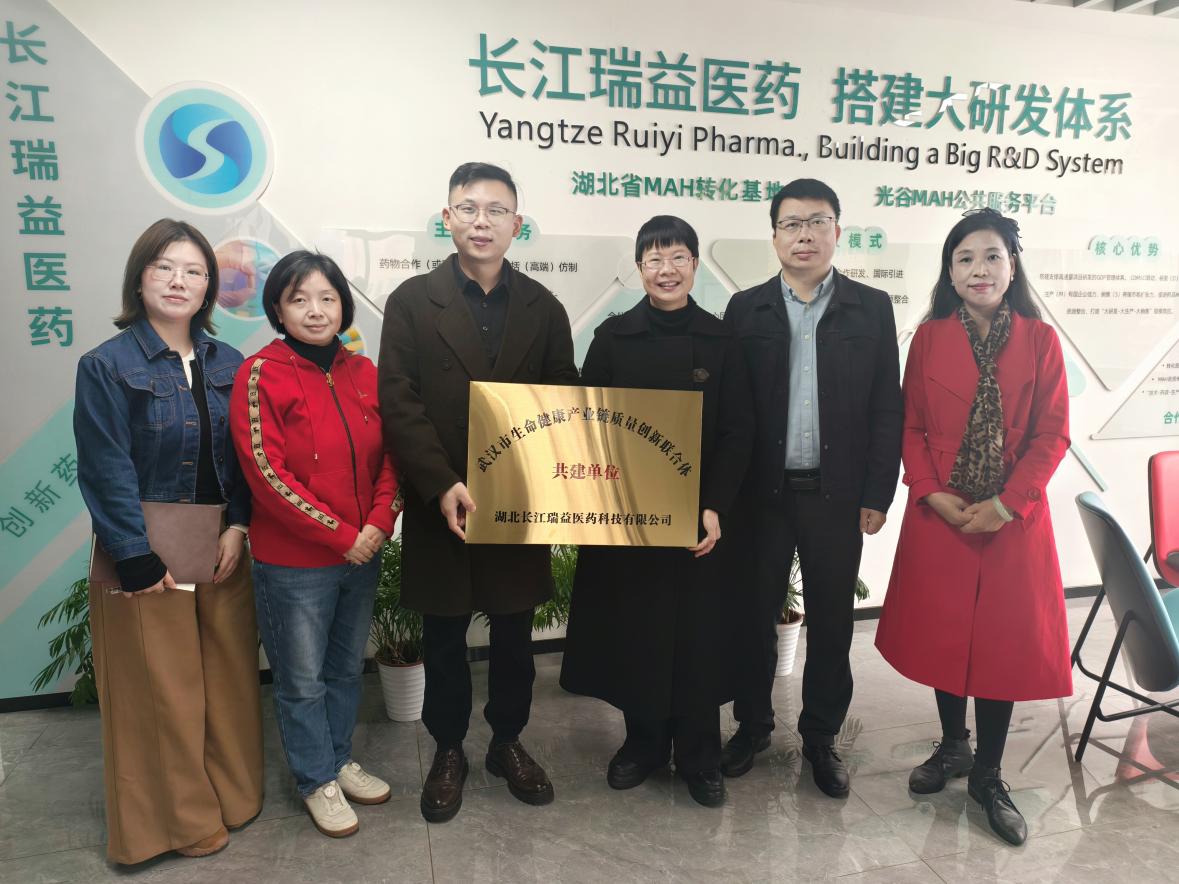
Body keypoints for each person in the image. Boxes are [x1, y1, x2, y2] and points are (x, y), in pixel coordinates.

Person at [378, 162, 579, 823]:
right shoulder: (412, 301)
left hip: (517, 500)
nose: (481, 222)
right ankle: (448, 749)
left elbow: (562, 399)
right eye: (468, 209)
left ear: (517, 224)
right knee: (444, 632)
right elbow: (399, 402)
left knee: (515, 632)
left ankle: (507, 742)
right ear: (448, 218)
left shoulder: (544, 308)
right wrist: (440, 482)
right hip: (442, 499)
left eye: (496, 210)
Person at [875, 209, 1072, 846]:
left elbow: (1052, 435)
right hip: (943, 513)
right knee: (944, 634)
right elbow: (909, 426)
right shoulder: (928, 339)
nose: (979, 269)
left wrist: (1008, 504)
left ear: (1012, 267)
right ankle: (953, 745)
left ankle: (989, 774)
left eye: (992, 257)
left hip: (1013, 518)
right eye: (965, 258)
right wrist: (929, 492)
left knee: (1000, 644)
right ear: (950, 271)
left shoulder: (1041, 341)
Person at [74, 218, 262, 864]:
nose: (179, 281)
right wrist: (134, 555)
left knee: (228, 683)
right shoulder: (107, 365)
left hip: (221, 545)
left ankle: (233, 797)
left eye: (194, 271)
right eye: (165, 267)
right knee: (161, 694)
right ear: (140, 278)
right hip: (147, 549)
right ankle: (176, 825)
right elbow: (105, 467)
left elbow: (247, 457)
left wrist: (238, 524)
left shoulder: (229, 362)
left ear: (209, 286)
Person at [559, 215, 753, 807]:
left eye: (677, 258)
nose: (666, 270)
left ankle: (699, 754)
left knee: (698, 637)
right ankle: (641, 744)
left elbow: (738, 431)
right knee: (637, 631)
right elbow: (588, 424)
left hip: (697, 519)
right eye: (654, 259)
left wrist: (715, 506)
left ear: (694, 264)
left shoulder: (722, 340)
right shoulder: (613, 337)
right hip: (630, 514)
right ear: (639, 267)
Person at [722, 179, 903, 797]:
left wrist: (877, 492)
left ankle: (821, 736)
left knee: (831, 620)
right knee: (751, 615)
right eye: (791, 224)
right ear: (774, 235)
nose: (804, 235)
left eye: (817, 222)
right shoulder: (746, 309)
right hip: (761, 498)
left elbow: (887, 406)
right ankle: (751, 726)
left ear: (837, 231)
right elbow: (730, 410)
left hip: (838, 495)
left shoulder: (870, 307)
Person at [229, 251, 401, 838]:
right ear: (277, 309)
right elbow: (267, 475)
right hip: (295, 564)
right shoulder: (259, 374)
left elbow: (392, 458)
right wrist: (342, 536)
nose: (315, 310)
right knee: (301, 681)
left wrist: (379, 523)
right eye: (299, 299)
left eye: (327, 298)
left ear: (343, 306)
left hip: (364, 553)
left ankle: (338, 758)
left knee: (346, 671)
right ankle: (315, 779)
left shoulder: (365, 372)